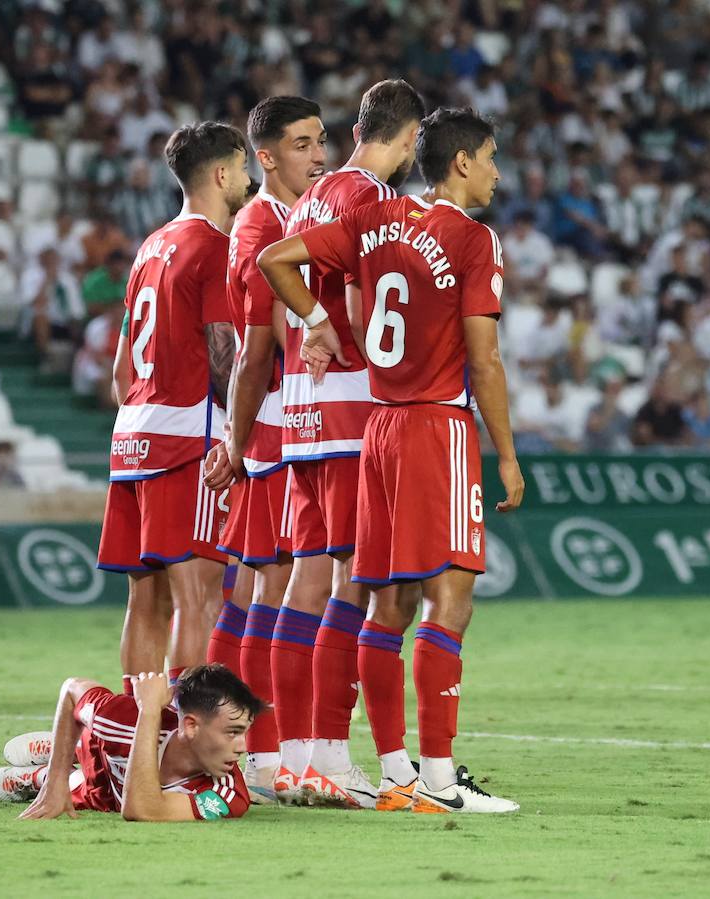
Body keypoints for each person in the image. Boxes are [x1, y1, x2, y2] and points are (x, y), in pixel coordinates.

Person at [258, 106, 524, 813]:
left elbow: (275, 260)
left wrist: (317, 323)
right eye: (492, 156)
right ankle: (439, 780)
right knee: (451, 600)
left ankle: (397, 772)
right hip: (437, 426)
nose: (498, 171)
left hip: (374, 426)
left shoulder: (378, 222)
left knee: (384, 602)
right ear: (461, 162)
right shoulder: (473, 239)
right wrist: (508, 456)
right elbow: (485, 357)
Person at [269, 79, 425, 807]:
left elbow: (276, 266)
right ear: (411, 137)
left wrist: (309, 321)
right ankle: (332, 754)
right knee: (356, 583)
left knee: (308, 580)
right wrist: (332, 328)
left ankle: (299, 757)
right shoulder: (371, 201)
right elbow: (366, 302)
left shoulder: (314, 195)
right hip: (353, 408)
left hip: (301, 414)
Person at [200, 96, 326, 803]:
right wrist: (238, 436)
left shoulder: (290, 219)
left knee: (252, 590)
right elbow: (252, 346)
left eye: (321, 140)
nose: (319, 155)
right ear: (267, 158)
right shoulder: (262, 224)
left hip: (276, 422)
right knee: (273, 587)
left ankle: (229, 745)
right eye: (303, 144)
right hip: (279, 426)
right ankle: (268, 752)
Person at [99, 123, 246, 702]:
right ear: (220, 174)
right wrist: (237, 430)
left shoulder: (150, 247)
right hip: (190, 437)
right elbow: (223, 356)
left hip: (133, 435)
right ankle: (184, 740)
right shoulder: (213, 246)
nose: (247, 182)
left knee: (147, 600)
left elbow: (120, 374)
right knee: (200, 594)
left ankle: (134, 733)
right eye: (241, 170)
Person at [0, 666, 262, 821]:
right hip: (102, 751)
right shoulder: (120, 717)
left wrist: (149, 711)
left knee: (81, 788)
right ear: (190, 726)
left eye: (244, 732)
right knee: (87, 740)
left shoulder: (228, 795)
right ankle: (60, 753)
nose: (242, 747)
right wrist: (56, 780)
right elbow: (72, 689)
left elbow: (142, 810)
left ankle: (35, 778)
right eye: (232, 732)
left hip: (104, 796)